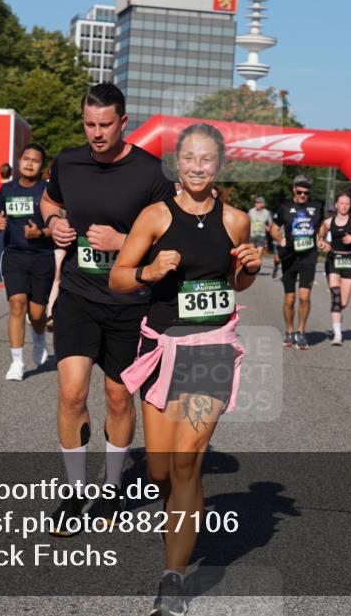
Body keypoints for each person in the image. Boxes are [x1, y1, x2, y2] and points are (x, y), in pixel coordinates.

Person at [111, 123, 260, 616]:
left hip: (212, 348)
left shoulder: (236, 220)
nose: (198, 167)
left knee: (186, 461)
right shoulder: (155, 216)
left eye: (207, 159)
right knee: (158, 471)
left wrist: (249, 269)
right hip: (161, 348)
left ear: (220, 165)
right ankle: (179, 509)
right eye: (190, 159)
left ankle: (172, 579)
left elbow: (235, 284)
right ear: (178, 163)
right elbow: (118, 277)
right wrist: (149, 273)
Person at [41, 83, 174, 530]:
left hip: (131, 303)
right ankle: (76, 495)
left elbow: (172, 237)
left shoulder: (150, 172)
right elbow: (49, 200)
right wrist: (54, 222)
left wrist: (124, 244)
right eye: (89, 124)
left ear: (123, 122)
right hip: (79, 295)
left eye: (105, 125)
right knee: (71, 392)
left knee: (118, 398)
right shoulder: (68, 162)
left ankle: (113, 487)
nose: (96, 133)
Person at [0, 144, 53, 380]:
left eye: (35, 160)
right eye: (26, 159)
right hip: (14, 255)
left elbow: (61, 223)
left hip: (42, 258)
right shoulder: (7, 190)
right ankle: (17, 361)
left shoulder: (48, 191)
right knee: (17, 304)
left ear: (41, 166)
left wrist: (42, 233)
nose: (29, 163)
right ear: (18, 161)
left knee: (37, 314)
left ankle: (38, 337)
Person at [269, 175, 323, 350]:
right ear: (294, 190)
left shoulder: (316, 207)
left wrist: (321, 238)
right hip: (290, 257)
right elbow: (274, 228)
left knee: (304, 296)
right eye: (299, 192)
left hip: (309, 256)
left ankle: (301, 331)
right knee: (290, 299)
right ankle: (289, 330)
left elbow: (322, 225)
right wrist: (280, 239)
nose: (302, 196)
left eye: (306, 193)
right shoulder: (285, 207)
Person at [317, 192, 351, 345]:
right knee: (335, 296)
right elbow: (319, 237)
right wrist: (322, 243)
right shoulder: (328, 222)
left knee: (343, 302)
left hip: (349, 262)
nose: (344, 206)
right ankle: (337, 335)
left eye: (347, 204)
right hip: (333, 260)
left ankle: (338, 316)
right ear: (336, 205)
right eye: (342, 203)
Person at [0, 162, 13, 283]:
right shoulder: (11, 186)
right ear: (10, 173)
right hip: (8, 217)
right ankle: (6, 272)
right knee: (7, 247)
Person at [247, 196, 272, 275]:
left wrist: (268, 227)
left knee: (259, 252)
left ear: (263, 204)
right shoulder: (251, 211)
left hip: (261, 235)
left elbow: (270, 223)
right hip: (252, 235)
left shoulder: (266, 213)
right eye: (256, 202)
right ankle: (251, 267)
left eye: (258, 202)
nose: (256, 204)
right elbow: (246, 221)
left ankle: (255, 267)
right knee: (252, 252)